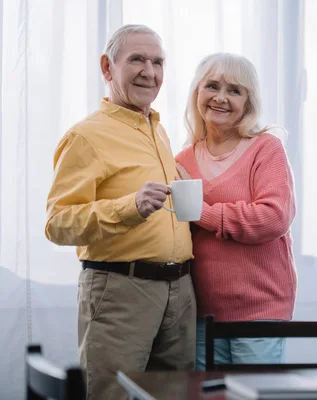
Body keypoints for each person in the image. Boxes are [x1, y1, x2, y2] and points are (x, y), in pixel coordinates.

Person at [45, 24, 195, 399]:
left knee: (176, 396)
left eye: (158, 61)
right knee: (111, 395)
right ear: (107, 67)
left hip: (180, 292)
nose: (150, 71)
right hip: (120, 291)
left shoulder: (157, 129)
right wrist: (130, 206)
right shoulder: (86, 136)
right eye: (137, 60)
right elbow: (57, 223)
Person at [175, 53, 297, 370]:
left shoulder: (266, 148)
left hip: (259, 311)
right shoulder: (182, 160)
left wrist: (200, 212)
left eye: (235, 90)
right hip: (200, 311)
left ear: (248, 101)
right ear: (197, 92)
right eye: (212, 86)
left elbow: (273, 217)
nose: (221, 98)